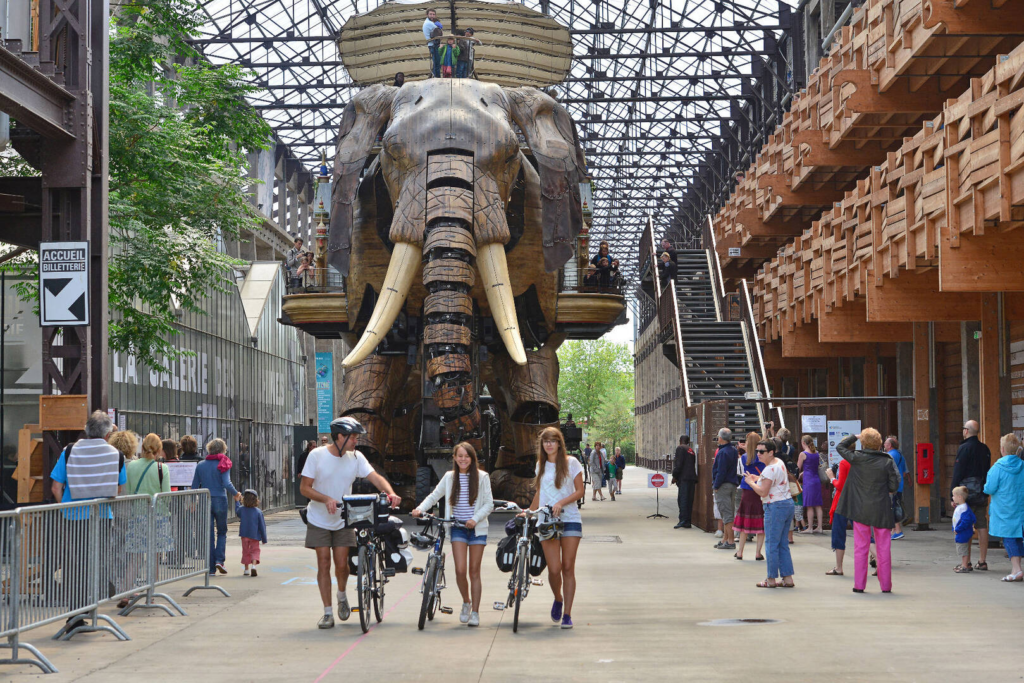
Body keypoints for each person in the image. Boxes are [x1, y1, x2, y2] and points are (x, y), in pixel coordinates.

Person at [300, 416, 401, 629]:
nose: (356, 441)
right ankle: (328, 613)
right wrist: (326, 498)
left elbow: (375, 478)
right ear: (339, 437)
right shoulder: (316, 455)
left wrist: (391, 493)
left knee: (342, 564)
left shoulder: (355, 457)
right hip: (319, 517)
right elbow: (305, 488)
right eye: (353, 437)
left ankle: (342, 595)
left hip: (344, 518)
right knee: (324, 562)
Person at [50, 410, 127, 630]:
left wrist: (65, 508)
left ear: (86, 430)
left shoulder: (69, 451)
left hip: (73, 517)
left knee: (75, 565)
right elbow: (117, 490)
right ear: (106, 434)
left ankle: (76, 613)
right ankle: (89, 605)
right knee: (96, 562)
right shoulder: (116, 455)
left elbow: (56, 486)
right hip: (101, 516)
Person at [412, 442, 494, 627]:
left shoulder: (482, 477)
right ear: (455, 458)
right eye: (460, 456)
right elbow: (434, 496)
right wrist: (419, 508)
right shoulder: (450, 477)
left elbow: (489, 504)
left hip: (477, 529)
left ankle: (475, 612)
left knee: (474, 571)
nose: (463, 459)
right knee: (460, 570)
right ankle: (466, 601)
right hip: (457, 527)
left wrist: (475, 518)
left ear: (472, 459)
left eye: (467, 456)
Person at [529, 426, 585, 629]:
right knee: (554, 569)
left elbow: (580, 491)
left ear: (559, 443)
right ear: (542, 445)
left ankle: (568, 614)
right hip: (546, 521)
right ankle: (558, 598)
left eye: (553, 440)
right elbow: (539, 494)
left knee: (568, 567)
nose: (549, 444)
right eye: (546, 441)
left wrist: (561, 502)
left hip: (569, 519)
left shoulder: (572, 463)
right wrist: (528, 511)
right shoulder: (540, 465)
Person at [836, 430, 900, 594]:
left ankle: (859, 585)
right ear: (879, 444)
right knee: (884, 548)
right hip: (882, 508)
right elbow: (894, 485)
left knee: (861, 547)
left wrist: (855, 437)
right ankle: (886, 586)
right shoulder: (887, 461)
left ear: (863, 443)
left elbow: (840, 446)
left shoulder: (857, 458)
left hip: (860, 509)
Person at [744, 439, 795, 588]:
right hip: (787, 504)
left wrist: (751, 482)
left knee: (771, 543)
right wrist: (758, 478)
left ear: (771, 452)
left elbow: (763, 491)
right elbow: (773, 480)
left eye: (762, 452)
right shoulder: (778, 462)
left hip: (774, 506)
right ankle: (787, 578)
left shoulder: (768, 469)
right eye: (757, 451)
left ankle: (771, 579)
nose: (758, 454)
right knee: (783, 543)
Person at [191, 438, 241, 575]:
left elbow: (194, 485)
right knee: (222, 531)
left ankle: (210, 568)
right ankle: (219, 560)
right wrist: (236, 494)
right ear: (223, 449)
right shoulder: (224, 462)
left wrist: (191, 502)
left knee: (208, 533)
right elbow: (226, 483)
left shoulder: (201, 465)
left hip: (204, 499)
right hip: (220, 498)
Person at [983, 433, 1024, 582]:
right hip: (1021, 508)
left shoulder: (997, 467)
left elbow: (989, 488)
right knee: (1019, 538)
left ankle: (1017, 569)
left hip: (1004, 509)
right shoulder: (1023, 465)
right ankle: (1016, 569)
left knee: (1009, 538)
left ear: (1002, 449)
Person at [952, 420, 991, 571]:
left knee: (966, 525)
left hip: (965, 495)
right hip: (981, 492)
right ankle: (982, 561)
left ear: (966, 431)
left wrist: (953, 495)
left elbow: (957, 472)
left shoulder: (964, 448)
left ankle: (966, 562)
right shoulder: (985, 448)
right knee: (981, 525)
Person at [734, 431, 766, 561]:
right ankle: (758, 553)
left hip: (747, 488)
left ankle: (740, 551)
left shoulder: (744, 457)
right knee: (760, 522)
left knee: (744, 522)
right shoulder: (762, 458)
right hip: (760, 488)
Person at [712, 428, 740, 550]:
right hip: (732, 484)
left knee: (726, 514)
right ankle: (725, 539)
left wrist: (716, 485)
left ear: (721, 438)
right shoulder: (733, 450)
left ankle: (730, 541)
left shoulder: (722, 453)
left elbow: (721, 471)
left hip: (723, 485)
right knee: (727, 512)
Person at [824, 456, 851, 576]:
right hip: (858, 501)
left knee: (838, 534)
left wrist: (832, 478)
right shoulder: (859, 462)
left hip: (842, 502)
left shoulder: (844, 463)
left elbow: (840, 485)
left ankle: (839, 567)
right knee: (865, 533)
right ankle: (880, 562)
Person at [236, 489, 268, 577]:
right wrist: (264, 539)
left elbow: (237, 512)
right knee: (255, 551)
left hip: (244, 534)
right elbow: (262, 526)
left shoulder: (242, 510)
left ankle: (246, 569)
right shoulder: (258, 512)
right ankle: (253, 566)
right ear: (256, 500)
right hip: (255, 535)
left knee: (245, 551)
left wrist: (237, 502)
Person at [797, 435, 824, 534]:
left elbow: (798, 468)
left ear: (803, 443)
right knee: (818, 504)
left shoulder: (803, 454)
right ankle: (820, 527)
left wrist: (799, 474)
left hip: (808, 480)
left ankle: (810, 528)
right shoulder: (816, 453)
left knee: (809, 505)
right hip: (816, 479)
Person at [885, 435, 908, 540]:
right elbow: (903, 472)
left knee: (892, 507)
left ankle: (898, 530)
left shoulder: (890, 455)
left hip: (892, 486)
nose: (884, 445)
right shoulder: (900, 454)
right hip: (899, 485)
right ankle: (894, 530)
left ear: (889, 445)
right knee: (894, 506)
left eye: (885, 443)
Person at [672, 435, 697, 528]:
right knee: (689, 500)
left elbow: (678, 464)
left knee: (682, 499)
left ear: (680, 441)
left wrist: (675, 476)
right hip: (692, 478)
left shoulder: (680, 448)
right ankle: (687, 521)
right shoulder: (691, 450)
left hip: (684, 478)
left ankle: (682, 520)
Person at [951, 486, 976, 574]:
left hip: (962, 532)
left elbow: (966, 521)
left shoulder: (963, 508)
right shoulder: (962, 507)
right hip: (962, 531)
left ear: (959, 497)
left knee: (963, 548)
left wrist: (958, 529)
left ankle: (965, 566)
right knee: (963, 548)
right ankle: (964, 564)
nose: (952, 497)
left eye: (954, 496)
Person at [422, 8, 443, 78]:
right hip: (433, 45)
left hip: (432, 45)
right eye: (430, 14)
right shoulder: (429, 23)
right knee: (437, 63)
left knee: (436, 63)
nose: (432, 16)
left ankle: (435, 77)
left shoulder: (427, 22)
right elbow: (439, 31)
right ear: (427, 14)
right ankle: (437, 78)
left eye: (433, 14)